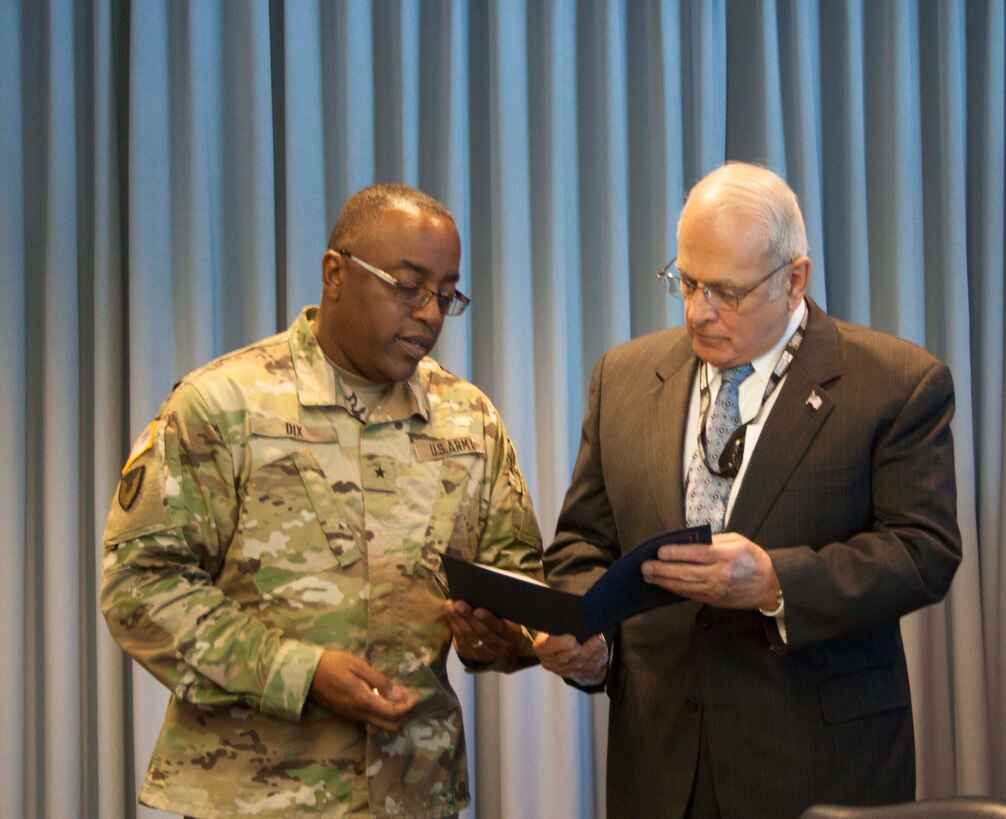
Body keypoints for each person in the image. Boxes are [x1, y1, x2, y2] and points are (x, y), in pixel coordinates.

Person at [100, 183, 543, 818]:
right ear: (334, 274)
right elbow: (138, 589)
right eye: (407, 285)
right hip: (251, 796)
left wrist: (500, 640)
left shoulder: (468, 419)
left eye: (446, 295)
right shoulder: (224, 404)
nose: (429, 313)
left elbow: (517, 583)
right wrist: (298, 673)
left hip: (414, 794)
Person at [534, 162, 962, 818]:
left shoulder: (895, 382)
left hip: (818, 764)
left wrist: (775, 582)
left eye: (726, 292)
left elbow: (924, 550)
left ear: (794, 279)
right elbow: (580, 545)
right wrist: (586, 635)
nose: (697, 311)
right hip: (659, 764)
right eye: (687, 280)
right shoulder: (621, 376)